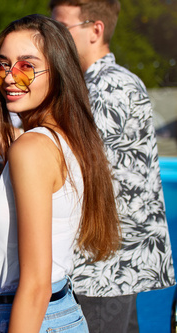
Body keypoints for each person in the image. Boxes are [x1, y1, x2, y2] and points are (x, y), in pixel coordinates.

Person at [0, 14, 121, 332]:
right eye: (2, 65)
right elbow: (25, 242)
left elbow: (34, 286)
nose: (9, 78)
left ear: (58, 72)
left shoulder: (30, 148)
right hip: (57, 312)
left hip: (36, 317)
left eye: (26, 66)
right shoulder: (66, 137)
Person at [49, 1, 175, 332]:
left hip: (103, 261)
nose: (53, 39)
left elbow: (82, 165)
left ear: (96, 29)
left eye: (62, 28)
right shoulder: (91, 85)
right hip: (107, 259)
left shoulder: (110, 86)